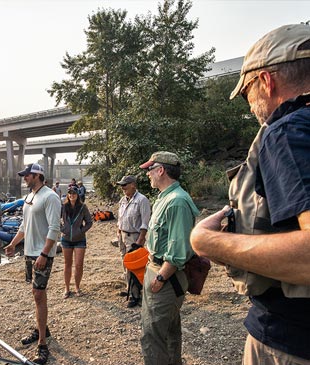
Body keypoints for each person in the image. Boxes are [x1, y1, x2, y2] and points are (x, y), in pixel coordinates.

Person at [190, 24, 310, 365]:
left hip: (291, 341)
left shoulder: (288, 129)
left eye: (246, 93)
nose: (249, 106)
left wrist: (206, 241)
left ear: (266, 81)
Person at [139, 152, 199, 365]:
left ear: (161, 170)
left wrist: (161, 278)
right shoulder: (165, 197)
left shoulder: (176, 202)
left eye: (150, 170)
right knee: (169, 331)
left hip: (166, 276)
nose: (148, 174)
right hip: (157, 270)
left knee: (152, 336)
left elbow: (178, 250)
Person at [4, 163, 61, 365]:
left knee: (38, 293)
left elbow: (55, 228)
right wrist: (13, 244)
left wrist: (45, 254)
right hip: (29, 253)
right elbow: (24, 225)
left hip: (42, 254)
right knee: (37, 293)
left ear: (37, 175)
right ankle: (42, 328)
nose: (24, 178)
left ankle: (42, 344)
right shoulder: (29, 197)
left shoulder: (50, 196)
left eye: (27, 175)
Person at [115, 175, 151, 308]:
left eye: (125, 185)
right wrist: (118, 232)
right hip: (123, 236)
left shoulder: (142, 200)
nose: (123, 188)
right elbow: (120, 217)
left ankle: (135, 295)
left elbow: (145, 222)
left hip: (134, 237)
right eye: (121, 185)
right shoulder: (122, 200)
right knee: (125, 264)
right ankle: (129, 288)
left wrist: (140, 240)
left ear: (133, 185)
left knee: (135, 266)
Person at [60, 186, 93, 299]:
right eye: (70, 193)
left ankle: (77, 287)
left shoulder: (83, 207)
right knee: (67, 264)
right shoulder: (63, 207)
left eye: (74, 193)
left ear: (78, 194)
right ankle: (67, 288)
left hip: (79, 239)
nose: (72, 195)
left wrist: (81, 231)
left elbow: (89, 222)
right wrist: (63, 229)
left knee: (79, 265)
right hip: (66, 239)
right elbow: (54, 219)